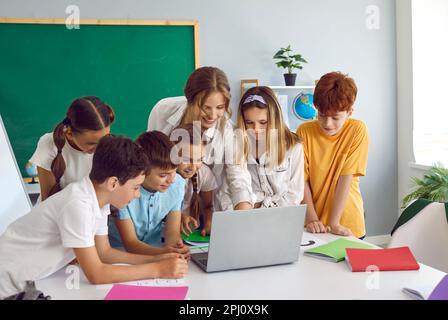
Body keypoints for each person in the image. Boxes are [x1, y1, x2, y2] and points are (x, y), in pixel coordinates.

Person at [0, 135, 188, 299]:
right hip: (6, 281)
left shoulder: (99, 200)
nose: (137, 194)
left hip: (23, 281)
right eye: (135, 187)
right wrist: (157, 270)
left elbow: (104, 253)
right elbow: (96, 274)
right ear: (114, 183)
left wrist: (158, 258)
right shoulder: (78, 204)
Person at [147, 66, 255, 211]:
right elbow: (149, 159)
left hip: (205, 208)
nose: (212, 115)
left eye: (220, 107)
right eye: (205, 107)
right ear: (189, 101)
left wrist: (244, 209)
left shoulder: (228, 131)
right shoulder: (162, 111)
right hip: (161, 207)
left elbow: (238, 174)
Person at [296, 72, 369, 238]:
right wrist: (312, 219)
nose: (327, 124)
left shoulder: (358, 130)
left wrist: (334, 223)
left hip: (347, 223)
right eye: (322, 115)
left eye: (335, 117)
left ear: (349, 112)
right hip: (313, 224)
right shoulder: (304, 131)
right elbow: (302, 179)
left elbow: (346, 177)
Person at [220, 86, 304, 209]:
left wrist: (263, 208)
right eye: (249, 123)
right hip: (245, 216)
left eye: (263, 122)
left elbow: (295, 194)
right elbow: (228, 189)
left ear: (275, 118)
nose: (256, 129)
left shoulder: (293, 146)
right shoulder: (235, 144)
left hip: (280, 216)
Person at [108, 131, 191, 257]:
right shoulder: (124, 189)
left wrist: (177, 248)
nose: (171, 180)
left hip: (156, 249)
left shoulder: (177, 184)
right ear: (143, 170)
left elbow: (172, 232)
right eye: (163, 175)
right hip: (121, 253)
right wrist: (165, 253)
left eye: (173, 172)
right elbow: (130, 243)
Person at [30, 96, 114, 200]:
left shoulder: (112, 147)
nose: (100, 148)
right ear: (69, 133)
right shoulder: (49, 144)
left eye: (104, 139)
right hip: (57, 212)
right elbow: (47, 200)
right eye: (91, 143)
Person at [170, 124, 218, 236]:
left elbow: (208, 206)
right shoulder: (163, 177)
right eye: (187, 159)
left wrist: (209, 223)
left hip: (189, 235)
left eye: (199, 159)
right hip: (163, 235)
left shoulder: (204, 173)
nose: (193, 167)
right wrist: (180, 217)